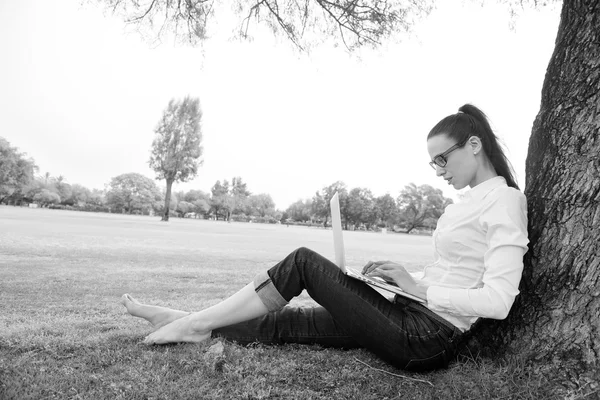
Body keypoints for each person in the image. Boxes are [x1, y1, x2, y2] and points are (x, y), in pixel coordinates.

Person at [120, 104, 529, 372]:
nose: (438, 170)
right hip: (407, 313)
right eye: (432, 163)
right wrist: (396, 278)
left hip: (427, 336)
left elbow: (498, 301)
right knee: (290, 324)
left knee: (302, 261)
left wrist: (419, 287)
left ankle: (193, 323)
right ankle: (183, 320)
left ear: (474, 145)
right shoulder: (466, 203)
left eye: (442, 159)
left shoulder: (505, 202)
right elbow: (456, 270)